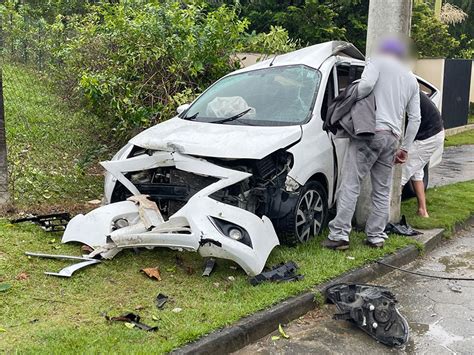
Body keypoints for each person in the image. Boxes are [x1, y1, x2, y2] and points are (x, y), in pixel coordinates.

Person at [322, 37, 421, 250]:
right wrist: (404, 148)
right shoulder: (411, 79)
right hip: (392, 139)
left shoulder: (378, 61)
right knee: (382, 190)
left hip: (370, 133)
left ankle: (339, 235)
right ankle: (376, 236)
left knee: (351, 184)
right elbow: (415, 119)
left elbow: (366, 85)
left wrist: (350, 95)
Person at [401, 92, 444, 218]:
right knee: (417, 172)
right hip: (434, 133)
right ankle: (422, 210)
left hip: (428, 136)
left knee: (400, 174)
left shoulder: (405, 92)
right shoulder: (411, 88)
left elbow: (413, 121)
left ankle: (388, 215)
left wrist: (404, 148)